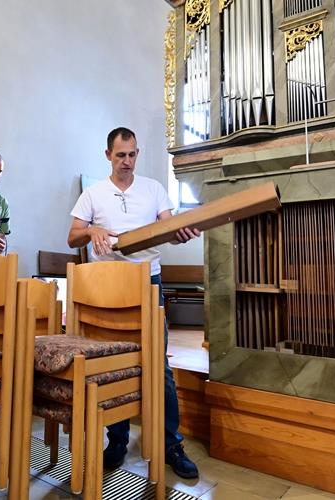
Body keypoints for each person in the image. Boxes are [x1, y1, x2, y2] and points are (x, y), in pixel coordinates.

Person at [67, 127, 201, 479]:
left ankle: (171, 444)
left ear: (137, 154)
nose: (127, 161)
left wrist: (180, 230)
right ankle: (118, 439)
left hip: (147, 282)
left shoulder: (154, 189)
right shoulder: (94, 194)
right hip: (106, 288)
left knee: (161, 366)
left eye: (132, 154)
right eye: (120, 155)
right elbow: (72, 236)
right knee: (114, 366)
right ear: (108, 155)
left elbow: (169, 228)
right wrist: (92, 230)